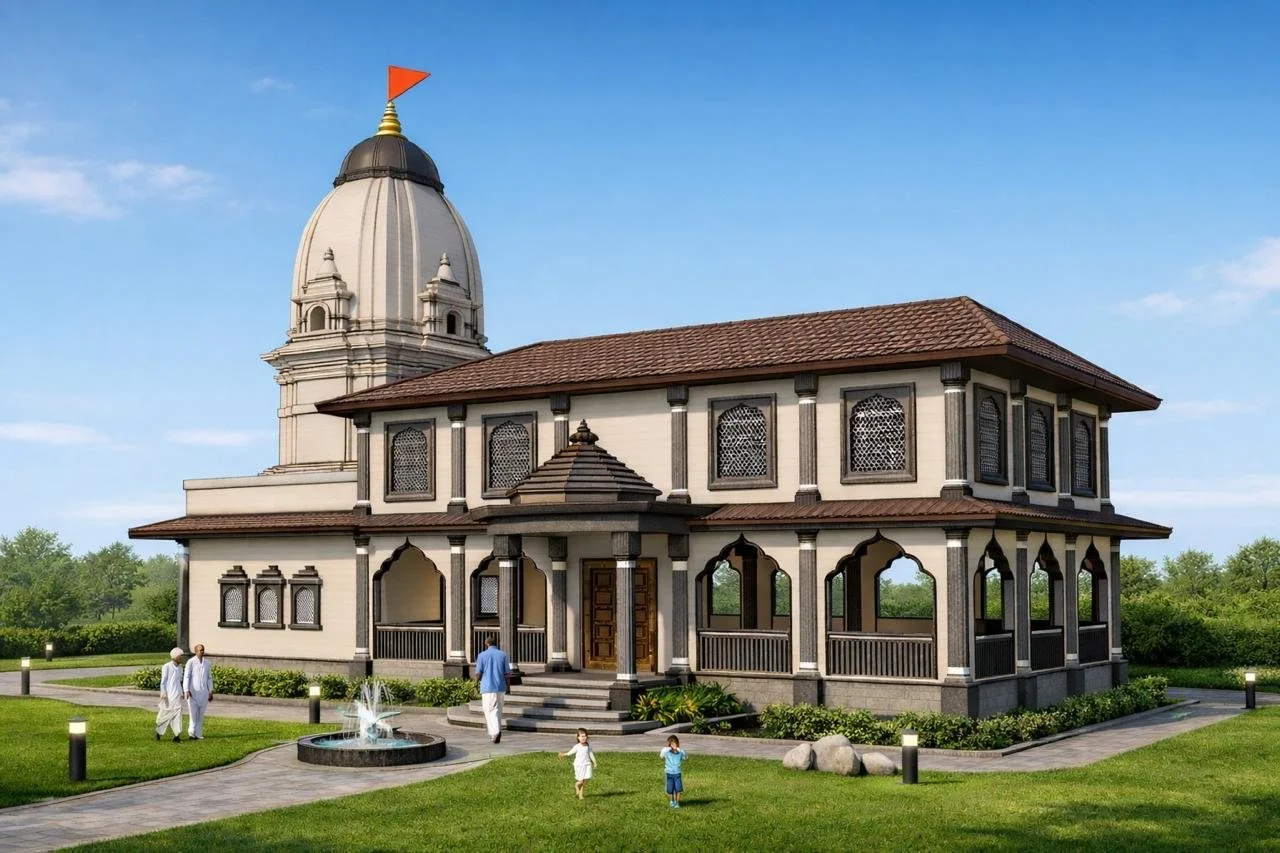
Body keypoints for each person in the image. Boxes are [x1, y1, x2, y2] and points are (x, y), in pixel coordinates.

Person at [474, 637, 510, 743]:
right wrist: (508, 686)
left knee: (489, 710)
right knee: (498, 710)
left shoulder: (482, 655)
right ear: (495, 643)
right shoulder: (503, 655)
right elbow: (507, 674)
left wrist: (475, 684)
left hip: (488, 687)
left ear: (486, 644)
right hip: (501, 686)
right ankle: (495, 732)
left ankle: (495, 732)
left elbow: (478, 673)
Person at [183, 643, 214, 740]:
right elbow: (186, 676)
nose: (202, 652)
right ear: (195, 651)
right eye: (200, 650)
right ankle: (191, 733)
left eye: (203, 650)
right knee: (193, 714)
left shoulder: (207, 663)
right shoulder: (190, 662)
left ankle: (198, 733)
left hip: (204, 692)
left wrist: (210, 691)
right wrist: (186, 690)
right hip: (193, 692)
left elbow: (209, 678)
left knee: (201, 714)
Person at [559, 727, 599, 800]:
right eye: (582, 736)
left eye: (585, 736)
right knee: (580, 781)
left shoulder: (588, 746)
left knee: (586, 779)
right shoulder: (577, 746)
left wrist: (595, 762)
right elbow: (570, 752)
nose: (584, 738)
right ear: (578, 738)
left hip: (587, 764)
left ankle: (581, 794)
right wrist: (563, 754)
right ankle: (576, 786)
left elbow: (591, 754)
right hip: (579, 765)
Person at [155, 647, 185, 743]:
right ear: (175, 656)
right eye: (180, 656)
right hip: (168, 696)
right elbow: (163, 682)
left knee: (177, 715)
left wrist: (181, 692)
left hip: (177, 695)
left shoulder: (180, 668)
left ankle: (177, 736)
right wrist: (163, 692)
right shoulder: (166, 666)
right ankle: (159, 731)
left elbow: (179, 682)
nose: (181, 658)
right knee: (165, 714)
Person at [660, 734, 688, 808]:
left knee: (678, 789)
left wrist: (678, 750)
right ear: (669, 744)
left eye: (675, 743)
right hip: (669, 773)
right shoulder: (666, 751)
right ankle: (672, 801)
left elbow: (685, 758)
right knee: (670, 790)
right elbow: (661, 757)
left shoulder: (680, 752)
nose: (673, 745)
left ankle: (677, 802)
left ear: (677, 743)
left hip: (677, 773)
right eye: (671, 743)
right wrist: (668, 751)